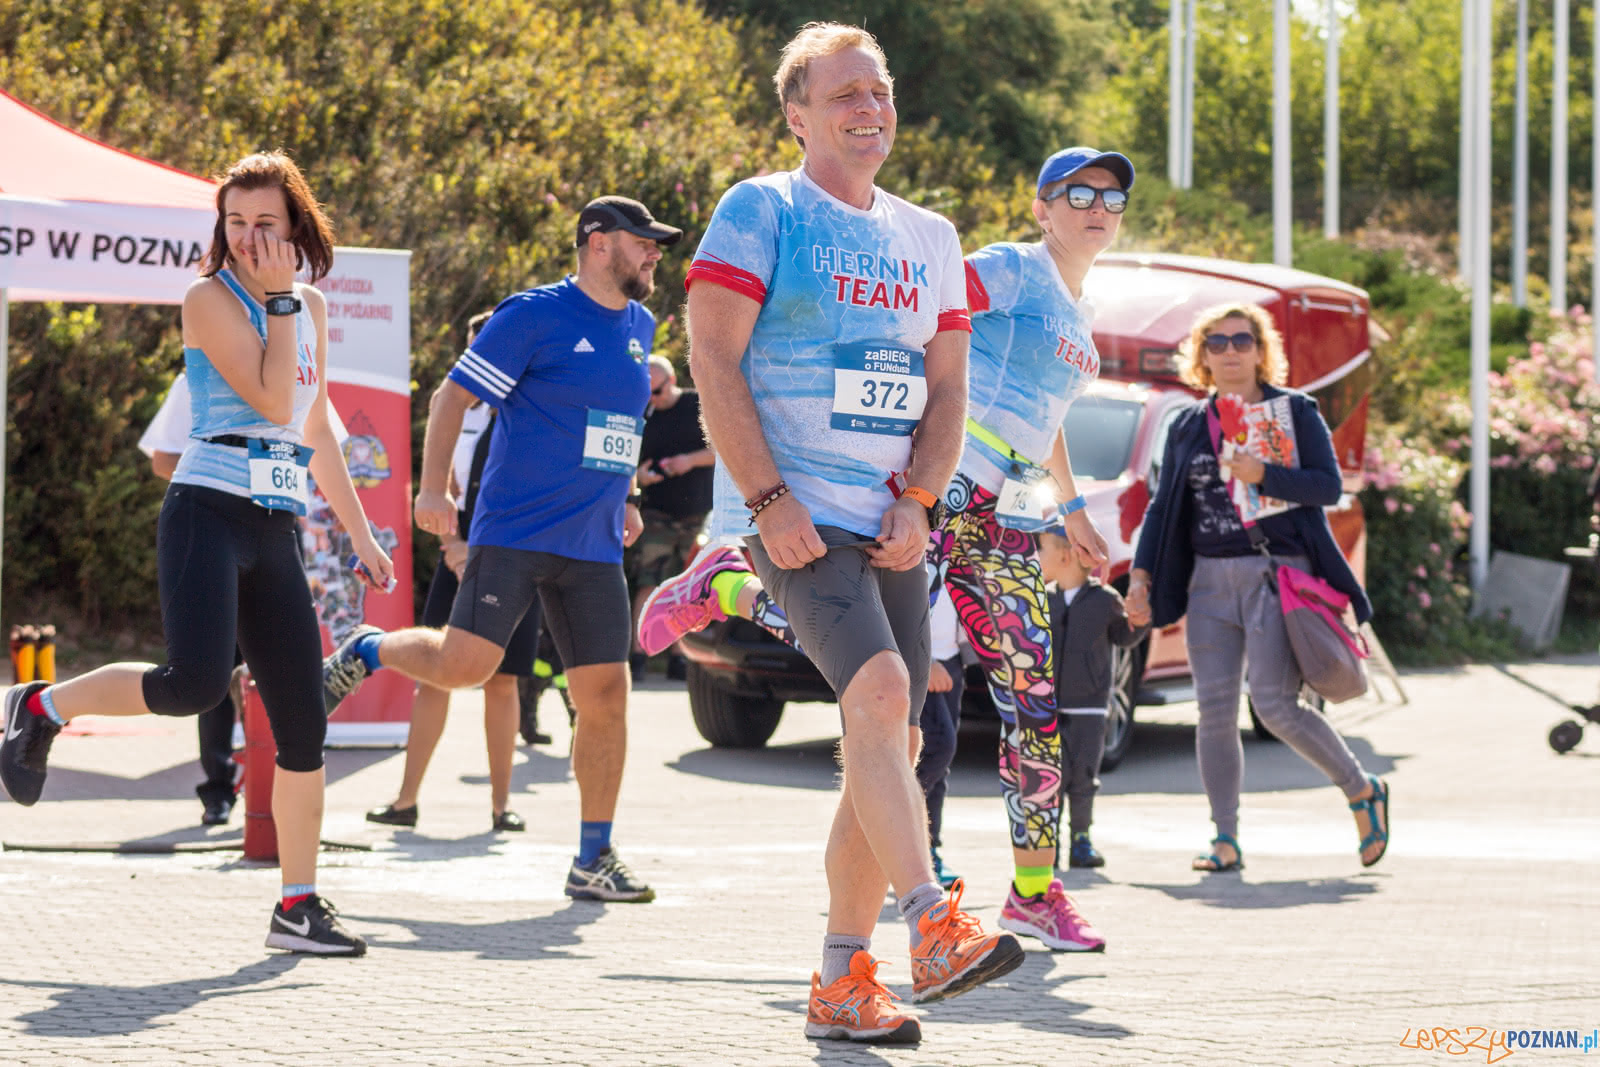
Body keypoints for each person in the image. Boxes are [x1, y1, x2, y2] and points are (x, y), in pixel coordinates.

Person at [645, 143, 1132, 957]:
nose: (1096, 209)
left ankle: (1035, 894)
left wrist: (1073, 505)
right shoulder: (1012, 270)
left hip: (1011, 513)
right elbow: (918, 335)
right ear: (1041, 208)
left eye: (1111, 198)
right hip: (940, 487)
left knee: (1033, 697)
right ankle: (731, 588)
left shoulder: (1083, 312)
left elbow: (1042, 416)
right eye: (1077, 194)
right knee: (878, 673)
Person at [645, 22, 1022, 1045]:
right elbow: (713, 359)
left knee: (893, 738)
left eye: (879, 90)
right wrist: (768, 498)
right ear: (797, 113)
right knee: (886, 696)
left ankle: (840, 980)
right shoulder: (761, 209)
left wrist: (923, 498)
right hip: (795, 521)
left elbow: (948, 388)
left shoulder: (930, 237)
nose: (869, 108)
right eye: (844, 93)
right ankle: (932, 923)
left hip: (891, 523)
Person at [1, 151, 394, 956]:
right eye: (235, 222)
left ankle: (297, 905)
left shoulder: (310, 305)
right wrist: (278, 299)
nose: (248, 237)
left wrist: (361, 534)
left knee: (303, 724)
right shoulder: (207, 298)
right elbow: (273, 398)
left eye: (266, 222)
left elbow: (314, 424)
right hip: (206, 512)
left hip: (275, 523)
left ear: (295, 225)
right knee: (195, 684)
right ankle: (39, 708)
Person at [321, 194, 683, 904]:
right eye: (643, 242)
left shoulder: (641, 326)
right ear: (599, 243)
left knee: (606, 696)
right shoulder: (531, 315)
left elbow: (622, 422)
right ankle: (368, 647)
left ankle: (593, 856)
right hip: (515, 531)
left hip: (593, 544)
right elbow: (450, 400)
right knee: (464, 666)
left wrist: (631, 497)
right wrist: (432, 492)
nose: (654, 255)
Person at [1123, 302, 1390, 872]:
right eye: (1216, 343)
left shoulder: (1294, 412)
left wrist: (1264, 474)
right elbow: (1163, 507)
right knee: (1214, 712)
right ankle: (1225, 838)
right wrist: (1141, 577)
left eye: (1241, 340)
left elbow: (1327, 486)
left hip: (1275, 574)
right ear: (1201, 356)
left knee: (1274, 706)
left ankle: (1361, 788)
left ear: (1261, 350)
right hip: (1207, 582)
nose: (1230, 352)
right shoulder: (1188, 425)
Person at [364, 310, 537, 833]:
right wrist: (454, 547)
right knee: (434, 676)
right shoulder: (452, 408)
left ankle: (502, 807)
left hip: (517, 558)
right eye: (475, 346)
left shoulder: (530, 410)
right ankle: (405, 801)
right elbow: (442, 488)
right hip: (458, 554)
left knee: (503, 682)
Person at [138, 372, 243, 827]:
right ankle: (218, 788)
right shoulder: (196, 376)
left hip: (276, 536)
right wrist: (225, 466)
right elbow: (163, 459)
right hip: (211, 534)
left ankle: (280, 794)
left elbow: (324, 446)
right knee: (211, 674)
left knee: (282, 674)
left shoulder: (298, 367)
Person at [1037, 526, 1148, 879]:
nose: (1037, 556)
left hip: (1089, 709)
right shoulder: (1044, 598)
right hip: (1049, 708)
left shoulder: (1105, 600)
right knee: (1050, 778)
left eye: (1042, 549)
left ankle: (1081, 840)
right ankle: (1049, 844)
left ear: (1065, 555)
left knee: (1084, 776)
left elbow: (1124, 637)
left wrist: (1139, 623)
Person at [626, 354, 714, 680]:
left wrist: (689, 461)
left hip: (697, 513)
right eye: (646, 393)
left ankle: (680, 657)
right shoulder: (642, 414)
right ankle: (639, 655)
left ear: (672, 381)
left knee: (689, 586)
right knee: (649, 581)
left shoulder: (698, 405)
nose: (652, 399)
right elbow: (628, 461)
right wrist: (640, 477)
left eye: (657, 391)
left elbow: (725, 449)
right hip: (656, 512)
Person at [916, 574, 963, 889]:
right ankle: (892, 829)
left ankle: (929, 850)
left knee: (939, 767)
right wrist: (925, 661)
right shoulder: (913, 550)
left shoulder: (960, 551)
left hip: (953, 661)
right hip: (920, 663)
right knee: (939, 747)